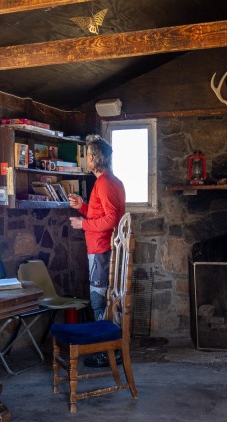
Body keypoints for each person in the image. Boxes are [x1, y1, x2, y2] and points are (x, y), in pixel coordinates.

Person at [68, 134, 126, 367]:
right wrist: (82, 206)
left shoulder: (103, 183)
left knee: (98, 301)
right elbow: (102, 215)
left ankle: (106, 352)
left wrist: (82, 224)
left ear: (92, 158)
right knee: (106, 301)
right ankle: (112, 350)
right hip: (103, 248)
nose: (86, 159)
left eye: (87, 155)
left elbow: (111, 220)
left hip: (101, 249)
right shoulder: (114, 181)